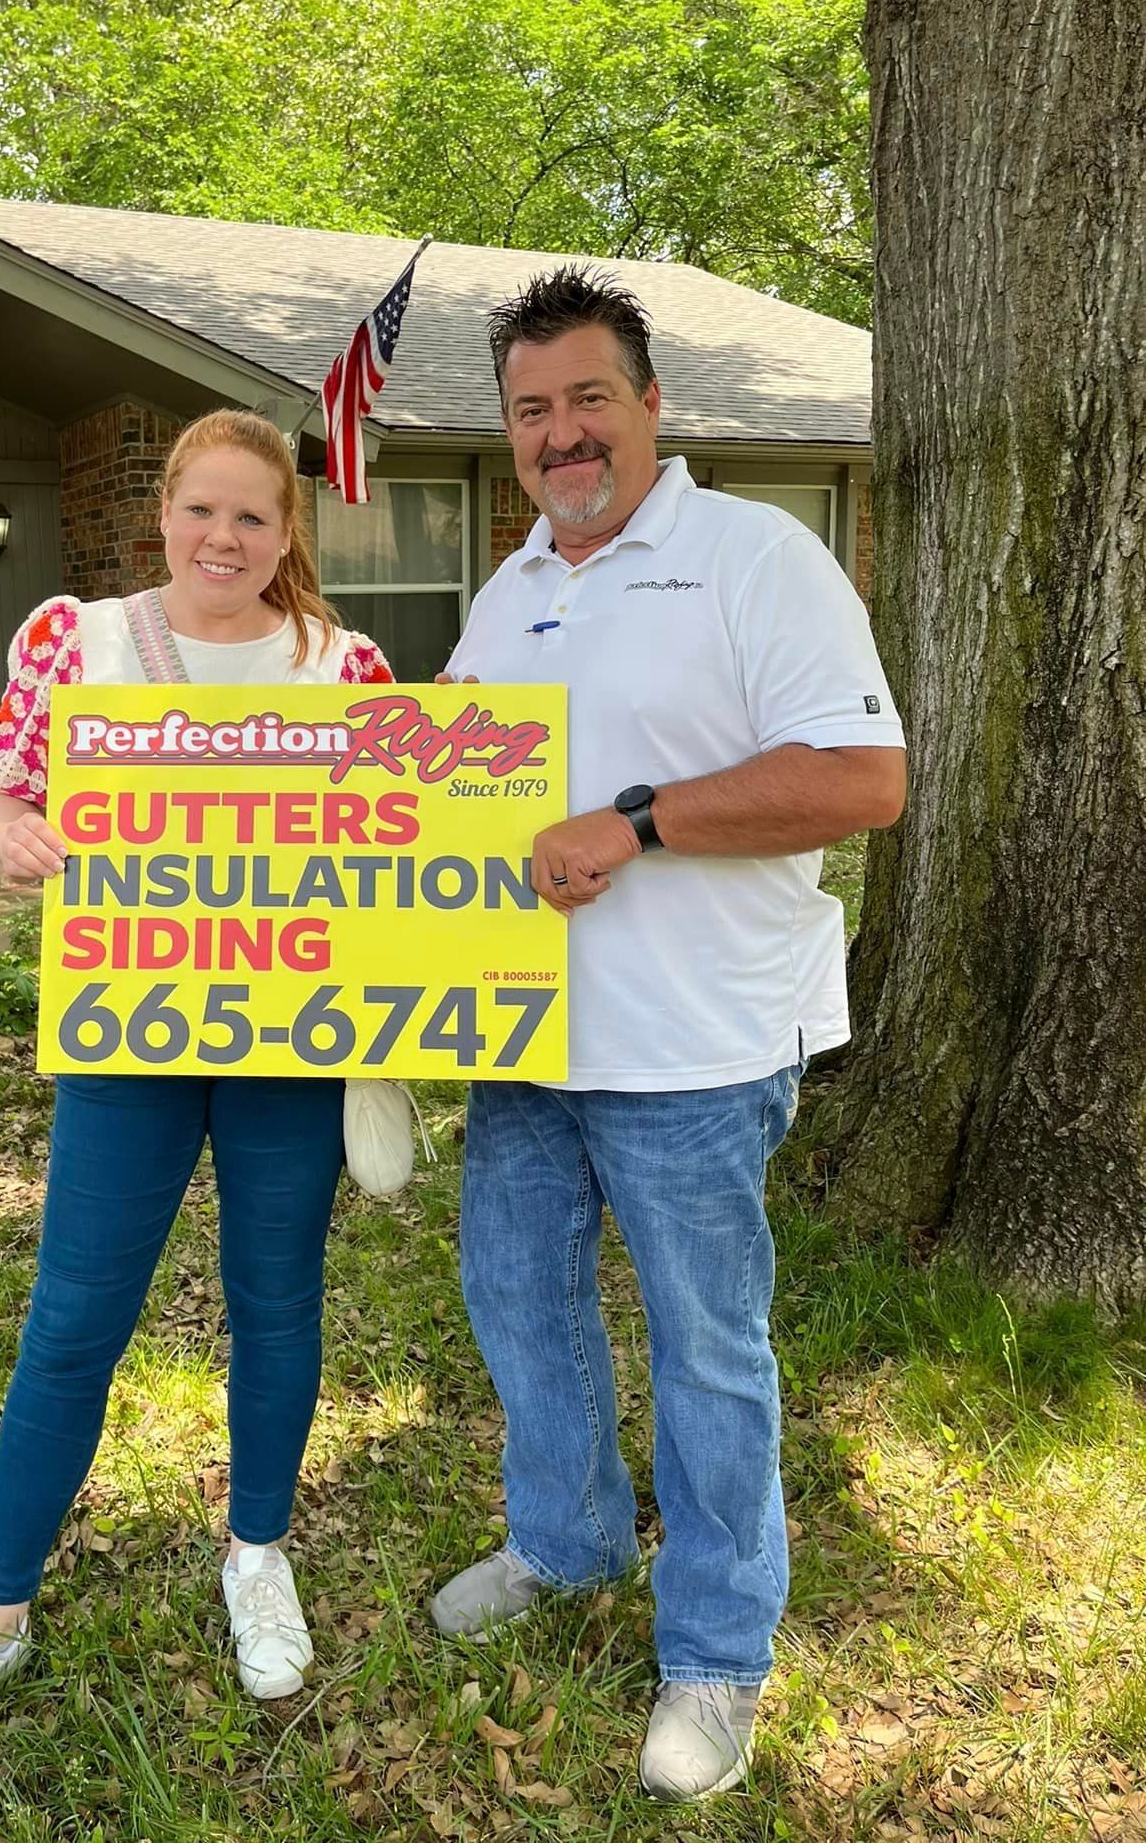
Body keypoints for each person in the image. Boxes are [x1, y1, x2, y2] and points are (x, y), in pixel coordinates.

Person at [0, 409, 393, 1763]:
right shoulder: (78, 640)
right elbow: (7, 785)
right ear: (163, 514)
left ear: (287, 533)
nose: (225, 538)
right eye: (202, 511)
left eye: (254, 518)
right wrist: (9, 831)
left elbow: (406, 837)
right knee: (75, 1320)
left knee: (278, 1303)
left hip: (288, 1040)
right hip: (126, 1032)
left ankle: (256, 1553)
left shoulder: (343, 666)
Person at [428, 267, 906, 1804]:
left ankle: (715, 1652)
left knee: (709, 1352)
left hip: (695, 1048)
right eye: (532, 411)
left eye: (588, 399)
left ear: (649, 406)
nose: (564, 435)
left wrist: (636, 822)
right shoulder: (510, 588)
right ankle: (563, 1547)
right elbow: (435, 792)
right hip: (523, 1038)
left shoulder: (756, 556)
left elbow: (861, 779)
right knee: (521, 1305)